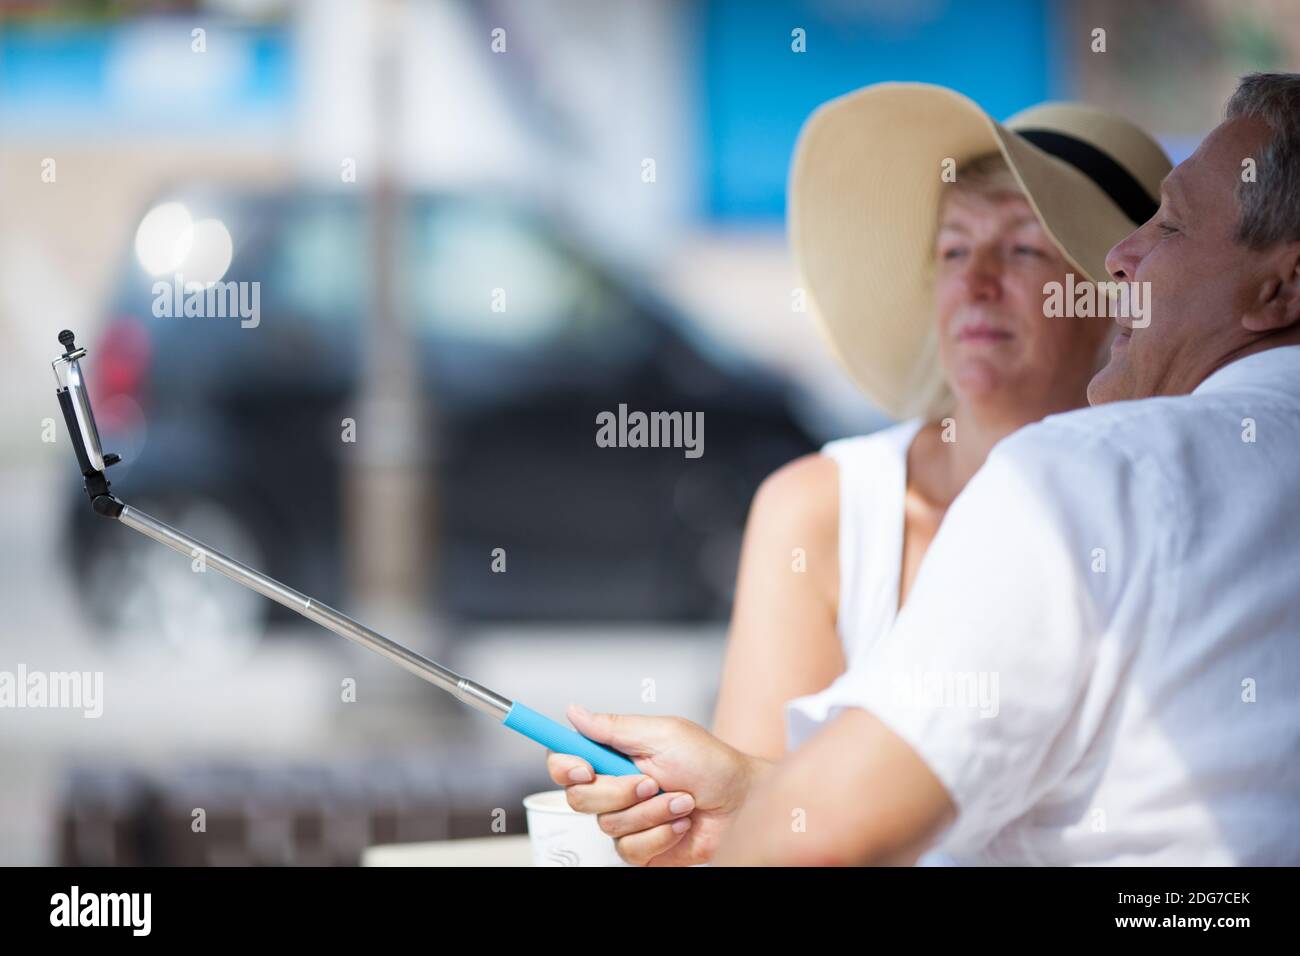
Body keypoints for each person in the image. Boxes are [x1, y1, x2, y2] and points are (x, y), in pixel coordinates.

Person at [547, 72, 1300, 866]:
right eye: (952, 248)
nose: (975, 283)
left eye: (1022, 248)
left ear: (1112, 297)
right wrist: (754, 799)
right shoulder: (830, 505)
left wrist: (766, 809)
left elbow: (821, 837)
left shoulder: (1081, 487)